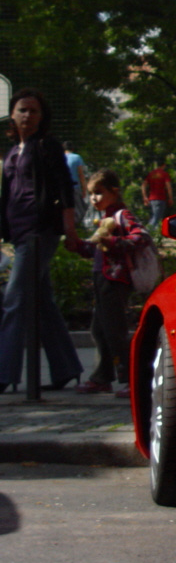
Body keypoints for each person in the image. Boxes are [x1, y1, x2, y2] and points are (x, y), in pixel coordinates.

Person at [0, 89, 84, 393]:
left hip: (40, 232)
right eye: (22, 110)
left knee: (14, 300)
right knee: (42, 303)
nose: (28, 116)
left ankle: (4, 374)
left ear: (42, 117)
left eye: (34, 111)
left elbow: (65, 190)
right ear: (12, 114)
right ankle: (67, 369)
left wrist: (70, 231)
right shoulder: (12, 151)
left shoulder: (47, 146)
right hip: (19, 233)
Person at [66, 170, 148, 396]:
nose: (94, 199)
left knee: (115, 331)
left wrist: (112, 241)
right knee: (99, 330)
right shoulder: (105, 218)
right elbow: (95, 248)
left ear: (114, 191)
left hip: (115, 279)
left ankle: (132, 378)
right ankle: (102, 378)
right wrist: (80, 247)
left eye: (99, 193)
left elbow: (140, 237)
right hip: (102, 278)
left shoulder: (123, 215)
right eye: (91, 194)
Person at [64, 141, 88, 226]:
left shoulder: (59, 157)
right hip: (75, 188)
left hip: (62, 189)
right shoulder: (77, 157)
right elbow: (81, 175)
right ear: (72, 149)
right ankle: (75, 227)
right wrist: (84, 189)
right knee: (80, 209)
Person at [143, 161, 173, 230]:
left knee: (156, 216)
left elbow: (143, 185)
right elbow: (168, 186)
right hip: (161, 198)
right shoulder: (164, 174)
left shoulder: (151, 174)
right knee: (156, 217)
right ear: (164, 165)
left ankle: (155, 232)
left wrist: (145, 197)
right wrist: (170, 198)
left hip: (152, 198)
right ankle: (146, 231)